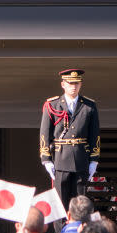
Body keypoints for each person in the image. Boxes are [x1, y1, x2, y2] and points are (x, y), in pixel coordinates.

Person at [39, 68, 101, 206]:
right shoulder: (52, 105)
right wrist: (46, 159)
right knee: (60, 203)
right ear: (63, 84)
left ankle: (78, 228)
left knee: (80, 204)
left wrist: (94, 160)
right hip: (60, 159)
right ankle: (61, 229)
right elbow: (45, 134)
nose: (73, 86)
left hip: (81, 159)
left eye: (77, 83)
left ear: (81, 84)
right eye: (70, 83)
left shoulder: (89, 106)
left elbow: (94, 135)